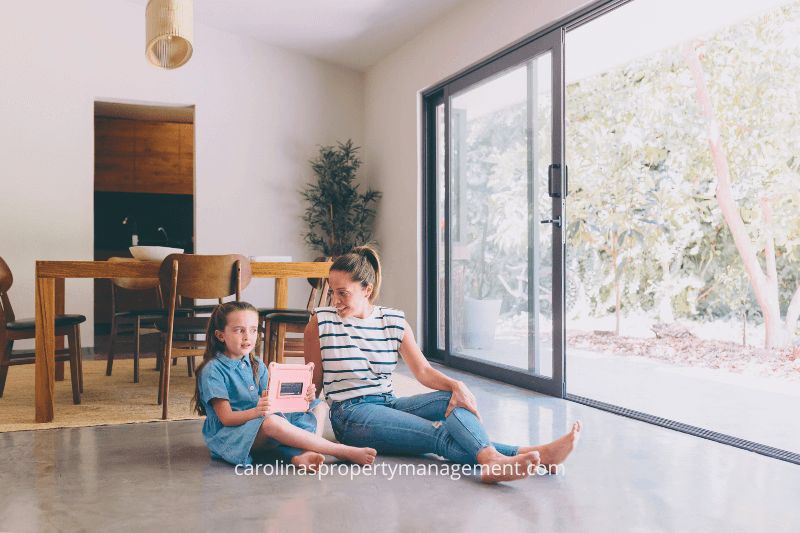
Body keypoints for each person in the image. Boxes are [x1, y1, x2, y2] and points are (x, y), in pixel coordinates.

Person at [304, 246, 582, 483]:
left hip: (388, 402)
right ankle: (511, 457)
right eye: (332, 293)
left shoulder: (393, 321)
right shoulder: (321, 321)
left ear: (367, 289)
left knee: (452, 400)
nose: (335, 301)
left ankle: (504, 459)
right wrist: (304, 407)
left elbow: (423, 371)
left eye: (343, 293)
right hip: (351, 414)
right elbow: (312, 381)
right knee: (435, 434)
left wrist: (456, 385)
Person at [193, 301, 377, 469]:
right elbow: (226, 418)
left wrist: (303, 398)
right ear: (220, 335)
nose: (247, 336)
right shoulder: (213, 370)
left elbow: (275, 399)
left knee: (318, 406)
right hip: (231, 434)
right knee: (272, 422)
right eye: (239, 330)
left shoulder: (255, 363)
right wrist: (257, 412)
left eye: (253, 330)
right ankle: (339, 450)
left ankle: (305, 452)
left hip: (261, 424)